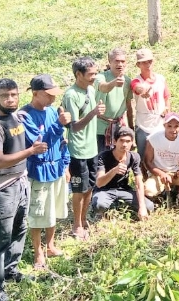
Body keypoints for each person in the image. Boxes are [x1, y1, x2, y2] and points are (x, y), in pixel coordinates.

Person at [0, 78, 48, 301]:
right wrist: (31, 152)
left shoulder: (14, 117)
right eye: (5, 96)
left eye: (14, 95)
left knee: (19, 231)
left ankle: (11, 270)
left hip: (20, 182)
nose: (10, 99)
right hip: (0, 189)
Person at [20, 74, 71, 269]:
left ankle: (50, 244)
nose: (53, 98)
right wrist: (59, 124)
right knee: (38, 212)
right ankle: (38, 251)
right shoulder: (24, 116)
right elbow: (40, 144)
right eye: (49, 95)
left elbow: (61, 142)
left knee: (54, 209)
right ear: (35, 93)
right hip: (39, 170)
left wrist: (66, 165)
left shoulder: (52, 111)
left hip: (56, 167)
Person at [62, 57, 106, 240]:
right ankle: (76, 225)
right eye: (90, 74)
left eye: (95, 73)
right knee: (79, 188)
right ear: (78, 74)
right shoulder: (71, 95)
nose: (94, 77)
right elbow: (74, 126)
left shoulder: (90, 88)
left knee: (90, 187)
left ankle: (83, 217)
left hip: (91, 148)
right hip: (77, 149)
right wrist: (93, 113)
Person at [91, 127, 153, 220]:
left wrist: (142, 207)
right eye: (121, 141)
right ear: (115, 141)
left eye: (128, 141)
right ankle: (111, 205)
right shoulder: (103, 156)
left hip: (124, 190)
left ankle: (116, 204)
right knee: (99, 205)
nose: (124, 144)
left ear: (132, 142)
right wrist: (114, 170)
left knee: (149, 207)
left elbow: (139, 183)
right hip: (104, 190)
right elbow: (99, 183)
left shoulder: (134, 157)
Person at [130, 48, 171, 160]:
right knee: (142, 155)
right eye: (144, 62)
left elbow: (166, 96)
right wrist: (143, 91)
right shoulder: (136, 81)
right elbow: (137, 88)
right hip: (143, 123)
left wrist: (167, 109)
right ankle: (143, 177)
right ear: (138, 64)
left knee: (161, 154)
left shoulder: (161, 79)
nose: (147, 64)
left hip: (159, 122)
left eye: (149, 61)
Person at [94, 48, 134, 152]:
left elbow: (128, 106)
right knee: (100, 160)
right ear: (110, 62)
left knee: (117, 159)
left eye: (123, 61)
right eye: (116, 61)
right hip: (100, 127)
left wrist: (130, 127)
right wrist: (114, 83)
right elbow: (104, 87)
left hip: (119, 127)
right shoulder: (100, 77)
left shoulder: (128, 81)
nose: (120, 64)